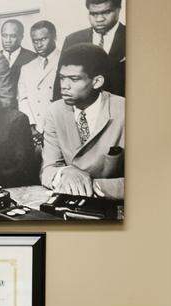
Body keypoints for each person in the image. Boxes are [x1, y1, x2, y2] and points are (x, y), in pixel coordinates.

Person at [41, 44, 125, 200]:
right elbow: (48, 169)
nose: (64, 86)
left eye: (74, 79)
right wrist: (65, 172)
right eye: (62, 78)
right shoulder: (55, 111)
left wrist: (91, 185)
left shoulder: (125, 111)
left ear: (97, 81)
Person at [54, 0, 125, 100]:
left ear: (118, 10)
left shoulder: (135, 37)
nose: (99, 19)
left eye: (106, 12)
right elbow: (60, 81)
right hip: (80, 110)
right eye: (94, 14)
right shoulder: (73, 40)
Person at [17, 20, 61, 146]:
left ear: (54, 37)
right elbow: (22, 99)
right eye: (35, 41)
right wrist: (31, 126)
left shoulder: (65, 60)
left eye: (43, 39)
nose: (39, 45)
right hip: (35, 130)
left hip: (58, 126)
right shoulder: (26, 68)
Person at [0, 19, 37, 99]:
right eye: (4, 36)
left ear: (21, 37)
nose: (8, 40)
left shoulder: (33, 58)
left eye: (13, 36)